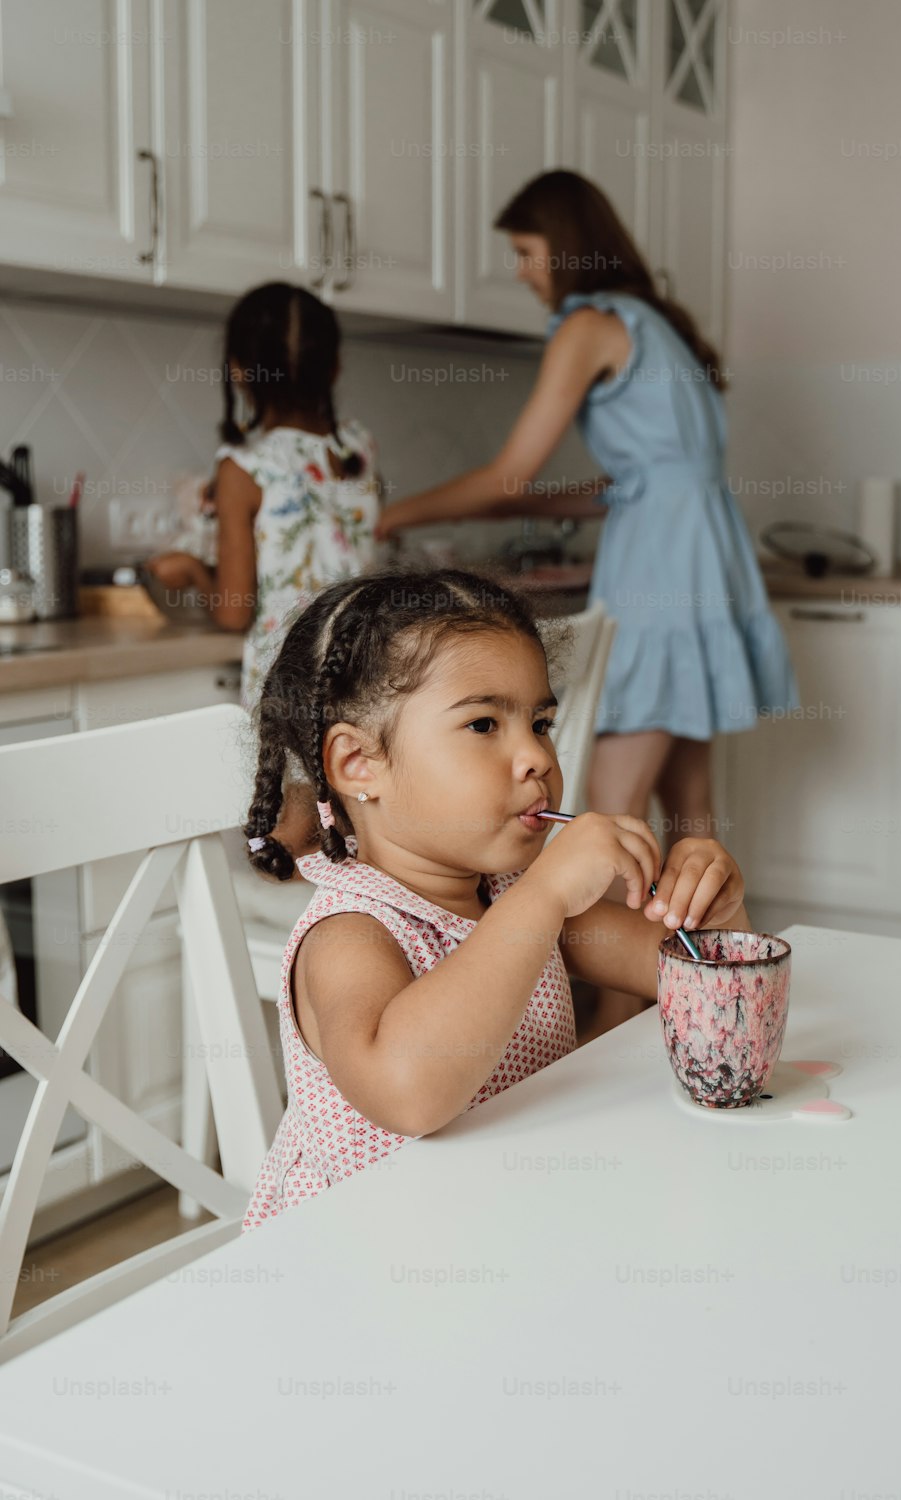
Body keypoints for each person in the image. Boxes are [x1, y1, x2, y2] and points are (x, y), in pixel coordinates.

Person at [374, 170, 797, 1038]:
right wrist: (536, 501)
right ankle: (703, 999)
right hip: (705, 559)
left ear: (564, 247)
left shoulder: (589, 324)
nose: (525, 274)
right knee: (690, 811)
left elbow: (510, 475)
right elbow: (627, 484)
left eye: (526, 254)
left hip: (658, 574)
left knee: (604, 814)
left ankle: (608, 1020)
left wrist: (393, 512)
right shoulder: (662, 330)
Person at [238, 566, 750, 1232]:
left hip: (506, 1224)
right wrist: (544, 894)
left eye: (540, 723)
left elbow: (699, 978)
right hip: (365, 1262)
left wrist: (711, 906)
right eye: (484, 725)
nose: (536, 756)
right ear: (360, 765)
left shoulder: (514, 899)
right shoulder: (350, 934)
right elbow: (409, 1093)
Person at [147, 281, 383, 713]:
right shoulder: (358, 447)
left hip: (288, 683)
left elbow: (234, 612)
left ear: (237, 370)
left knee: (290, 783)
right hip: (365, 668)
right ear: (334, 367)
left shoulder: (245, 467)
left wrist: (195, 570)